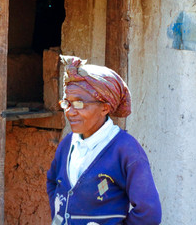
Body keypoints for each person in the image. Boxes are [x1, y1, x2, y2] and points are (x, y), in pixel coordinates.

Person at [46, 55, 161, 225]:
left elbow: (149, 213)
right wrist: (59, 217)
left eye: (79, 104)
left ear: (105, 108)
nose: (70, 112)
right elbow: (53, 181)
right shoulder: (67, 144)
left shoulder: (125, 150)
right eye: (67, 103)